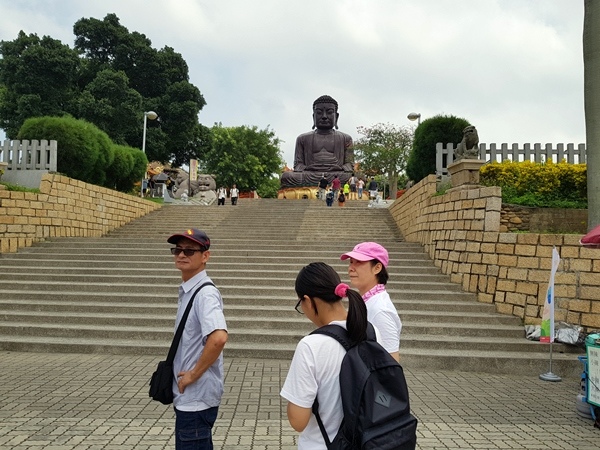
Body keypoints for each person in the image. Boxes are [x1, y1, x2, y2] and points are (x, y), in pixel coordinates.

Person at [280, 262, 378, 449]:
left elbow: (298, 422)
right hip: (367, 442)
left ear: (307, 301)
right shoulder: (372, 332)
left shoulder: (311, 346)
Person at [167, 228, 228, 449]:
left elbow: (218, 338)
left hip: (196, 400)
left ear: (205, 256)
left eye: (190, 250)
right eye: (177, 250)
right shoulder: (190, 290)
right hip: (190, 399)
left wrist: (193, 374)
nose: (181, 255)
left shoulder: (204, 293)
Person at [340, 242, 401, 362]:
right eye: (351, 262)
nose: (351, 268)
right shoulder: (367, 301)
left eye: (359, 262)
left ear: (377, 268)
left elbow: (391, 362)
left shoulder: (380, 310)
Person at [280, 95, 354, 187]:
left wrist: (337, 168)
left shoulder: (346, 138)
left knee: (356, 177)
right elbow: (298, 165)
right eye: (319, 112)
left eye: (329, 112)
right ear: (313, 116)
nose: (324, 116)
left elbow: (349, 165)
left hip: (335, 175)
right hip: (310, 174)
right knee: (286, 176)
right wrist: (308, 168)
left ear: (337, 116)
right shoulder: (302, 138)